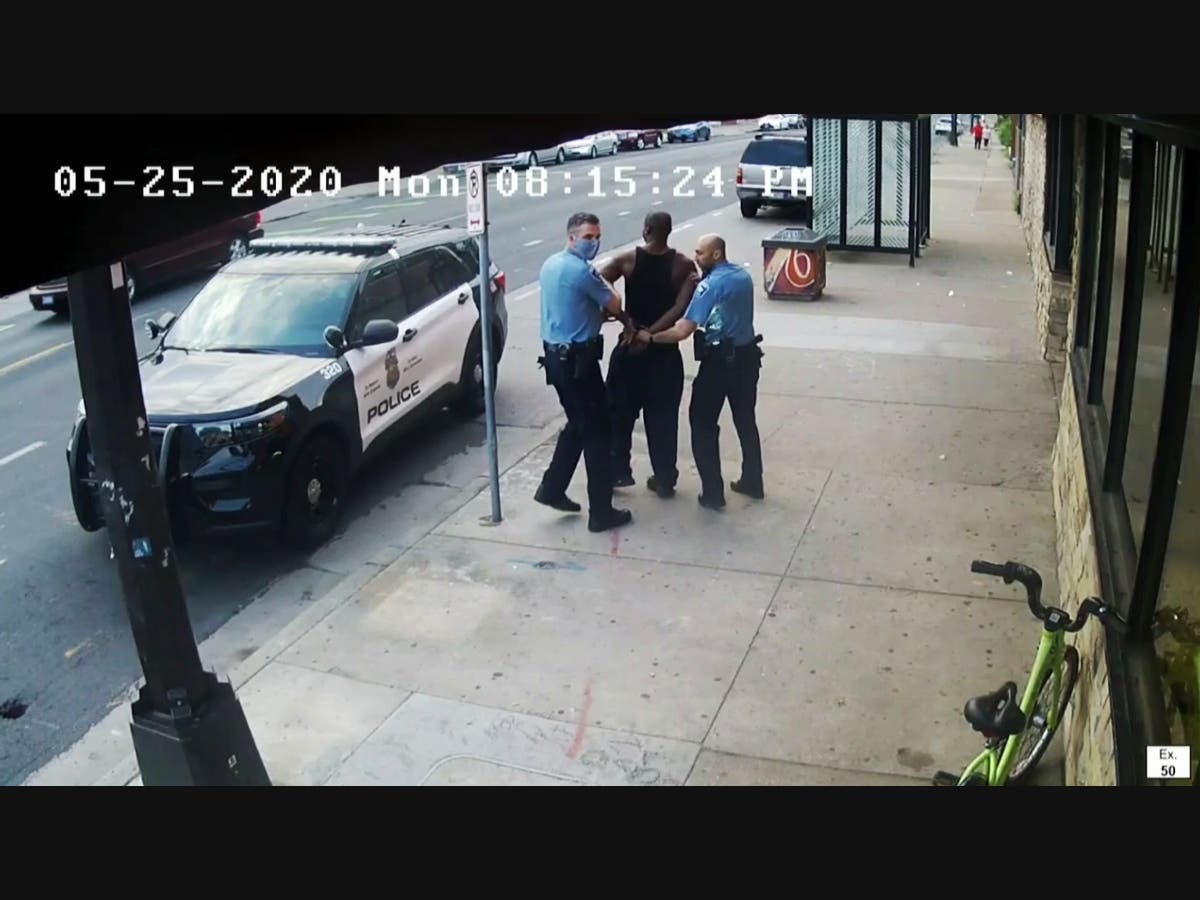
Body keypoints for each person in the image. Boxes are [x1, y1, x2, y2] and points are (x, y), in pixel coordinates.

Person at [633, 233, 763, 509]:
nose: (696, 257)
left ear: (716, 254)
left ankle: (712, 492)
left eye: (700, 253)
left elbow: (683, 329)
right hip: (747, 358)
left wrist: (651, 337)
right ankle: (753, 480)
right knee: (745, 420)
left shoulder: (711, 286)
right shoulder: (741, 277)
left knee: (702, 424)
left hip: (718, 364)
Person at [534, 212, 635, 532]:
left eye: (596, 236)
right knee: (597, 433)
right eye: (588, 237)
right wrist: (601, 283)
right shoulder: (581, 272)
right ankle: (601, 511)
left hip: (557, 360)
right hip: (578, 364)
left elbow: (575, 305)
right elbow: (615, 303)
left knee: (578, 424)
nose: (593, 242)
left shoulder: (551, 264)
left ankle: (552, 488)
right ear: (571, 237)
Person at [598, 211, 700, 498]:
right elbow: (680, 307)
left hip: (629, 349)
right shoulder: (682, 265)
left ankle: (619, 471)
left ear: (645, 231)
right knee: (663, 420)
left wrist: (628, 322)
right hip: (664, 353)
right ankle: (665, 478)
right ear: (669, 231)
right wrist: (652, 335)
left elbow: (600, 284)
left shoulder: (627, 260)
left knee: (619, 414)